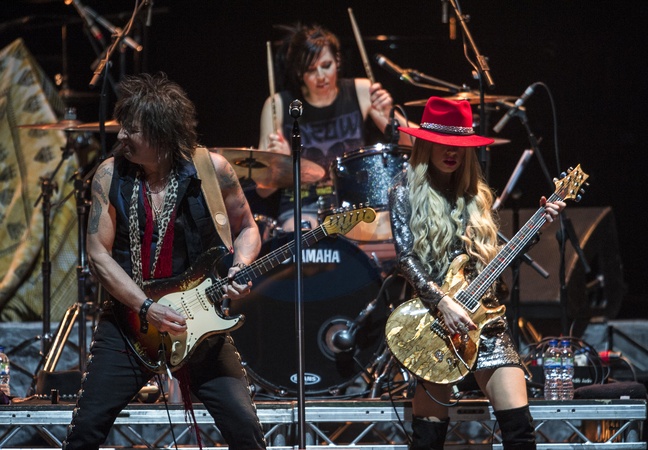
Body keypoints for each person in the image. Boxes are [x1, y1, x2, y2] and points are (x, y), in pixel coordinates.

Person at [62, 73, 266, 450]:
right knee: (85, 430)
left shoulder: (213, 170)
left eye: (132, 129)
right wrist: (146, 307)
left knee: (245, 430)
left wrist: (240, 265)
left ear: (161, 135)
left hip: (197, 320)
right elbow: (98, 254)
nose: (121, 135)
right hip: (130, 323)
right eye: (123, 125)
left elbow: (247, 228)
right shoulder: (109, 173)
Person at [388, 96, 565, 450]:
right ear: (426, 143)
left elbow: (492, 260)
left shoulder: (476, 195)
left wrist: (538, 227)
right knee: (428, 438)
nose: (452, 151)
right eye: (443, 142)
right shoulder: (403, 191)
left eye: (460, 144)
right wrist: (443, 303)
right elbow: (405, 260)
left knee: (520, 431)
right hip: (434, 322)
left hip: (485, 322)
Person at [255, 23, 411, 231]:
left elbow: (412, 143)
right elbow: (262, 190)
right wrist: (279, 163)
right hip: (301, 207)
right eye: (310, 69)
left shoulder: (361, 90)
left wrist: (388, 114)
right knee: (303, 236)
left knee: (389, 230)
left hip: (353, 205)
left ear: (337, 61)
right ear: (299, 72)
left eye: (326, 65)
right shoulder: (278, 105)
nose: (321, 76)